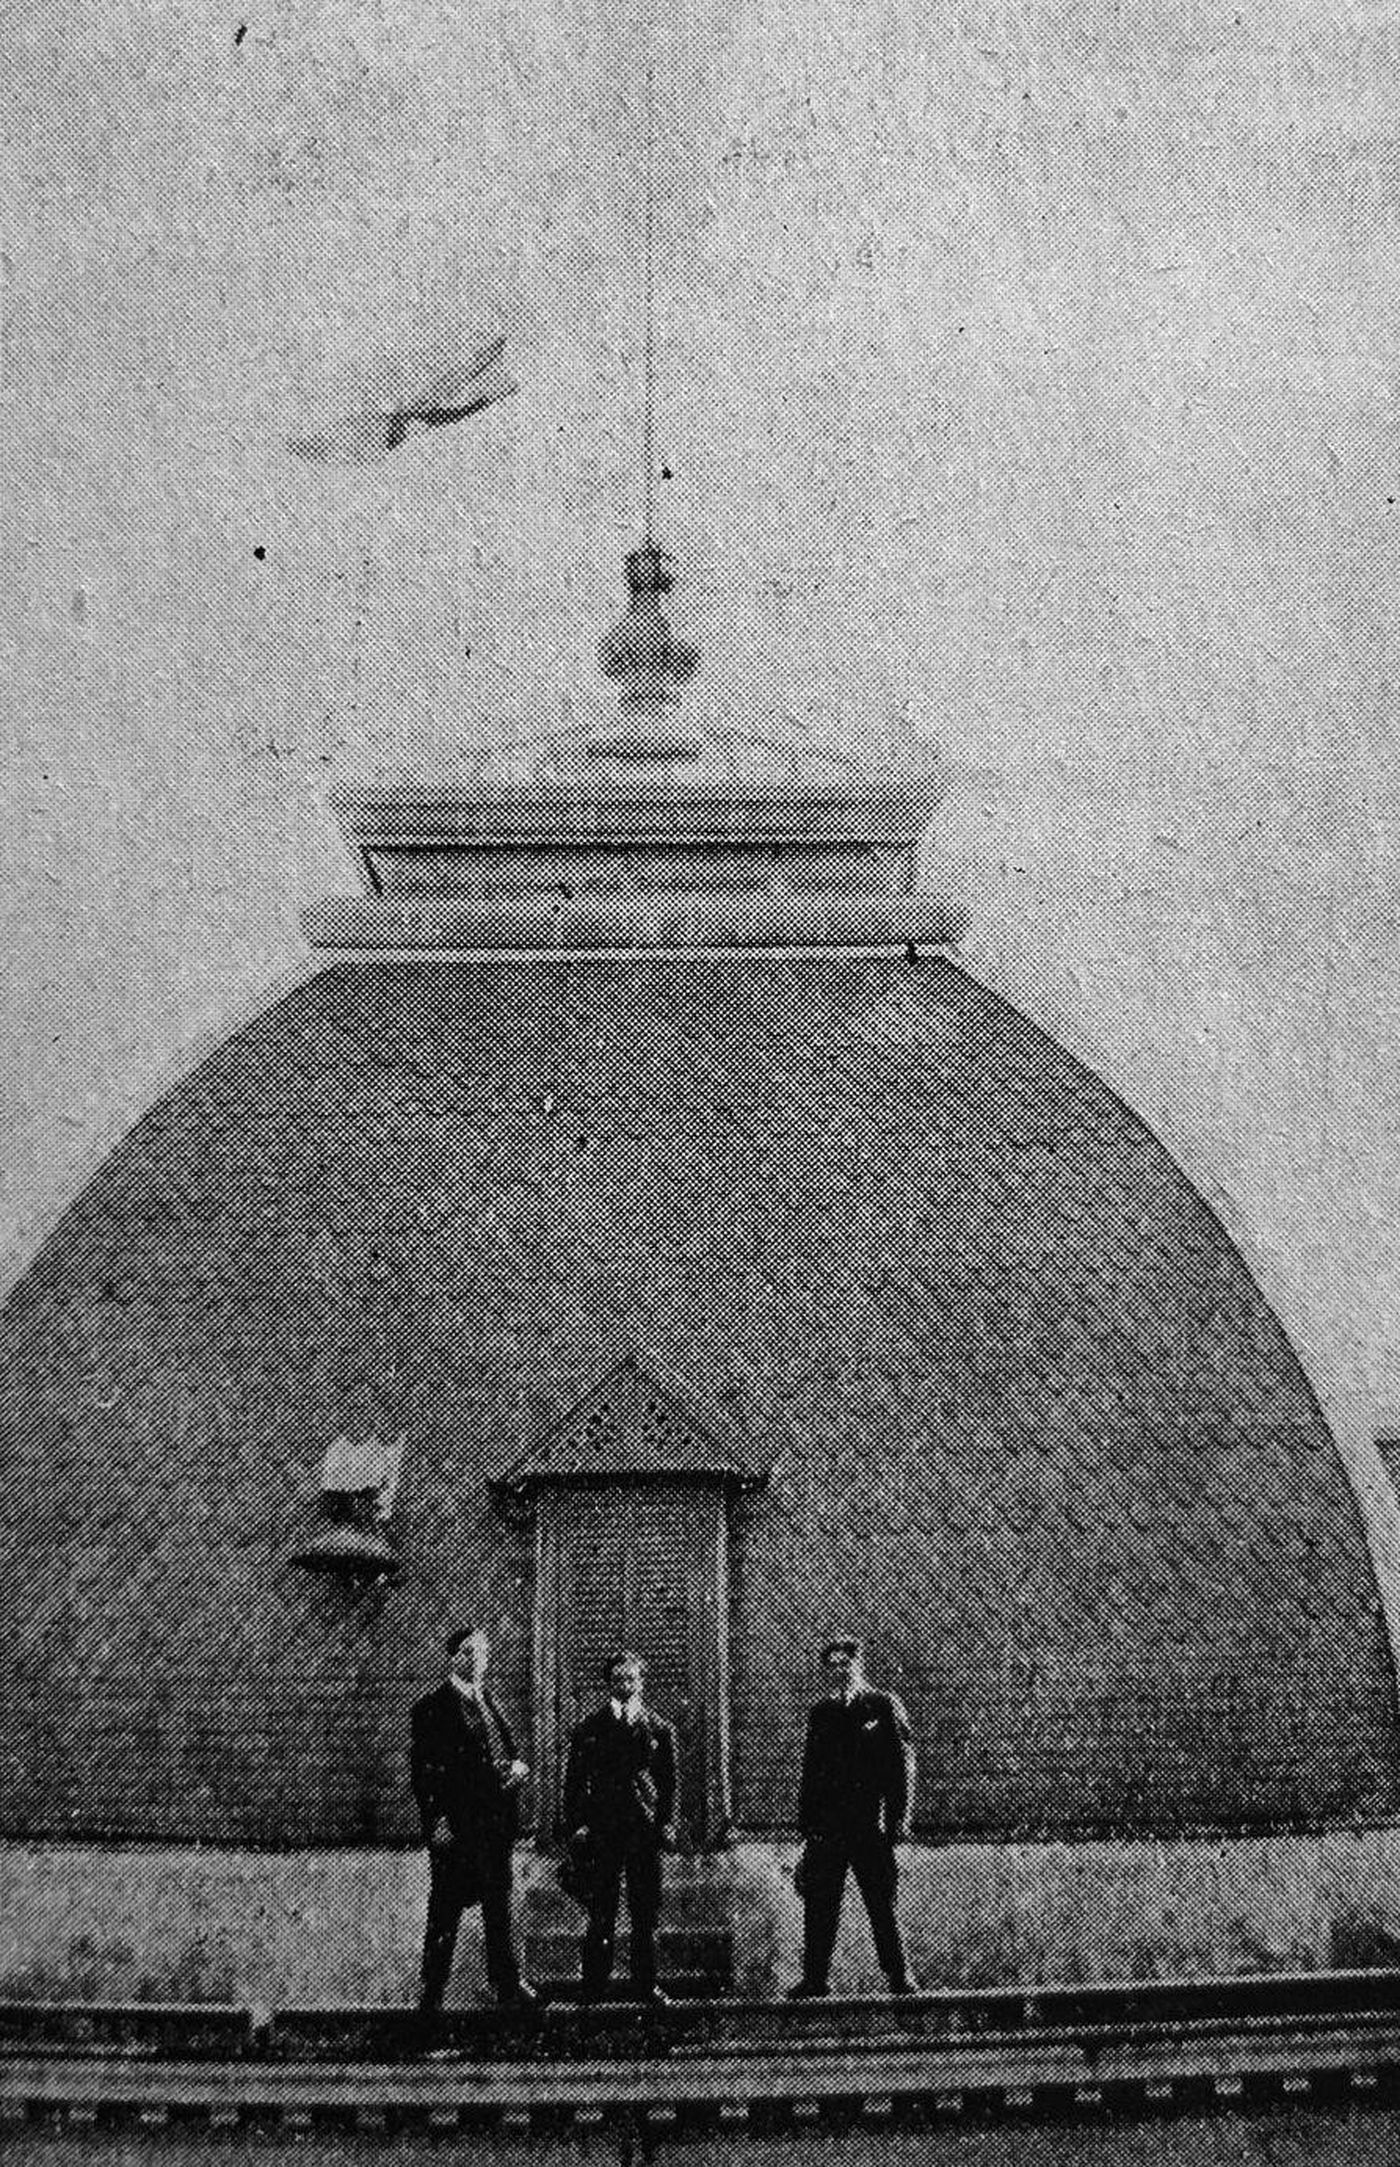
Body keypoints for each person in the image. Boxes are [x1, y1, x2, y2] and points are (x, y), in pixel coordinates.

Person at [409, 1625, 539, 2014]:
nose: (474, 1659)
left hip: (494, 1827)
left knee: (498, 1906)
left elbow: (503, 1752)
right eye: (466, 1652)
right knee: (445, 1910)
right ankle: (431, 1995)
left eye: (480, 1652)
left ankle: (507, 1985)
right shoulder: (433, 1707)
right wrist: (437, 1821)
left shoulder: (490, 1703)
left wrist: (518, 1768)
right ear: (452, 1658)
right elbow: (423, 1772)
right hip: (458, 1827)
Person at [789, 1635, 919, 1998]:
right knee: (819, 1904)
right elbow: (811, 1772)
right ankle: (815, 1980)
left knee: (881, 1901)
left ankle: (899, 1976)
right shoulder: (822, 1713)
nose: (840, 1672)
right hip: (828, 1827)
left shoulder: (882, 1705)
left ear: (859, 1665)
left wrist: (898, 1820)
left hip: (869, 1824)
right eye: (832, 1667)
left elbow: (902, 1767)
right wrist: (808, 1828)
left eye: (846, 1664)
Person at [564, 1651, 678, 2006]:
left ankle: (646, 1985)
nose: (625, 1685)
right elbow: (574, 1783)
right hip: (604, 1830)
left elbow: (670, 1784)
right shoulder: (589, 1729)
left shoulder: (659, 1729)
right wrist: (578, 1824)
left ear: (641, 1682)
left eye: (631, 1678)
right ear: (609, 1683)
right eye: (617, 1679)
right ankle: (594, 1987)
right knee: (602, 1911)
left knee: (646, 1910)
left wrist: (667, 1824)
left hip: (643, 1831)